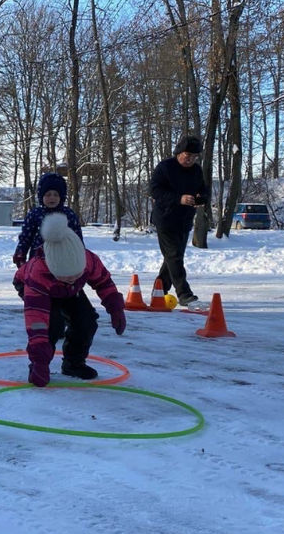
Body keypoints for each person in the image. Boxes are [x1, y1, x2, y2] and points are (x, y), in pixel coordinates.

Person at [14, 213, 126, 386]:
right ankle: (38, 364)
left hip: (69, 291)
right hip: (38, 288)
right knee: (52, 324)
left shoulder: (88, 259)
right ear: (54, 269)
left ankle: (73, 364)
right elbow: (37, 323)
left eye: (77, 275)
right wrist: (39, 361)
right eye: (66, 276)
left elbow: (104, 282)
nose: (72, 278)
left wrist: (115, 307)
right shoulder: (37, 273)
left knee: (86, 320)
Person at [150, 133, 209, 307]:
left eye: (194, 157)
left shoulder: (196, 171)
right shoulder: (165, 167)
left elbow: (203, 190)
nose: (190, 159)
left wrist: (200, 199)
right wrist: (179, 198)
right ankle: (184, 294)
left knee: (173, 257)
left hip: (184, 220)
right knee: (174, 257)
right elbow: (155, 191)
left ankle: (159, 291)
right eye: (188, 155)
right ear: (179, 152)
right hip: (165, 219)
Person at [13, 172, 83, 268]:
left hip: (63, 261)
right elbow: (26, 237)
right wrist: (20, 254)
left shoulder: (68, 214)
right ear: (41, 196)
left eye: (56, 195)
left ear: (61, 197)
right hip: (38, 261)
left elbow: (77, 237)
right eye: (48, 194)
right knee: (37, 282)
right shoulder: (35, 214)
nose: (52, 198)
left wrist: (81, 254)